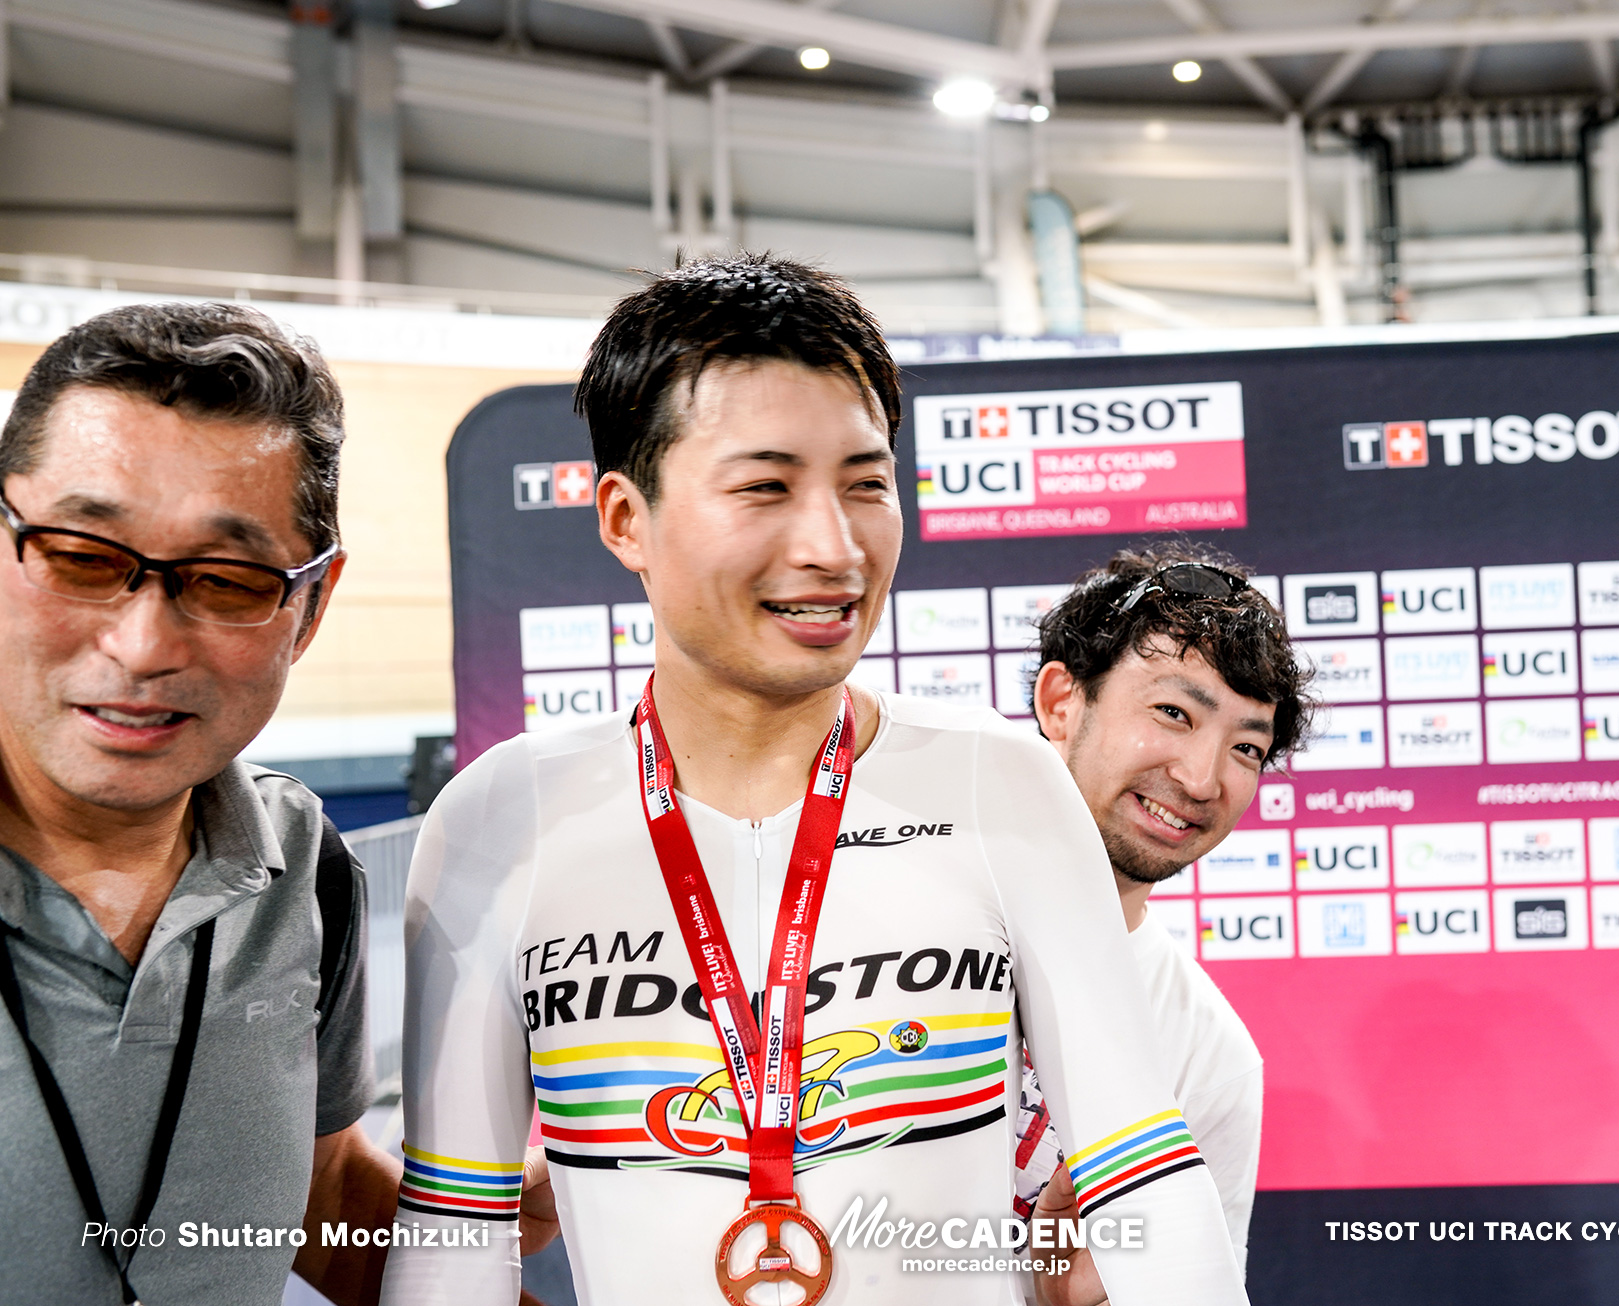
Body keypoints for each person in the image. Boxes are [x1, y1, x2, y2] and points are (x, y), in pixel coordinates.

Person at [377, 254, 1246, 1306]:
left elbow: (1148, 1189)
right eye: (765, 485)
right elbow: (452, 1240)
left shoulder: (999, 785)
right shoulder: (496, 820)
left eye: (866, 483)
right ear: (624, 519)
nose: (834, 546)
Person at [0, 303, 401, 1305]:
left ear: (309, 608)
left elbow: (319, 1195)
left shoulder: (304, 865)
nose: (141, 647)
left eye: (227, 581)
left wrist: (523, 1213)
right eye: (82, 557)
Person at [1016, 546, 1309, 1301]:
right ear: (1061, 703)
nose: (1201, 778)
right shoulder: (883, 923)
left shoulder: (1209, 1055)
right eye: (1173, 713)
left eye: (1247, 747)